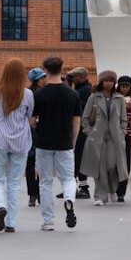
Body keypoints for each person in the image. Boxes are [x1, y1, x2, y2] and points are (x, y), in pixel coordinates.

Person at [0, 58, 34, 233]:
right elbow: (30, 115)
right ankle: (11, 223)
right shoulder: (27, 94)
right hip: (20, 140)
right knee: (14, 182)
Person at [33, 56, 80, 231]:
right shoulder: (72, 94)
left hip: (44, 142)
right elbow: (76, 121)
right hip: (65, 142)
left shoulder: (39, 95)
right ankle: (69, 198)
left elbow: (31, 121)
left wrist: (38, 124)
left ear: (45, 70)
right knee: (68, 178)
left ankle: (49, 221)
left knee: (45, 182)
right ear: (62, 69)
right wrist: (73, 141)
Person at [80, 70, 128, 206]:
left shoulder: (119, 99)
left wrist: (122, 132)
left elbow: (124, 119)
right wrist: (89, 132)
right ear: (101, 82)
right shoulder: (94, 97)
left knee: (113, 165)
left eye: (111, 81)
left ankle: (112, 189)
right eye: (106, 81)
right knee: (100, 167)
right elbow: (85, 117)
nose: (109, 83)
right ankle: (100, 196)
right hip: (98, 137)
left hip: (115, 137)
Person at [67, 67, 93, 199]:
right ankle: (73, 187)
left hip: (82, 129)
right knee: (75, 157)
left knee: (79, 157)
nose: (72, 80)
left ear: (81, 77)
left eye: (74, 77)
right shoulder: (80, 89)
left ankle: (83, 187)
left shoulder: (84, 90)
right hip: (80, 128)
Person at [116, 75, 131, 202]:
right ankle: (114, 187)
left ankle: (121, 191)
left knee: (125, 163)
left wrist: (130, 110)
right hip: (113, 134)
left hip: (127, 134)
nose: (125, 88)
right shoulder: (113, 98)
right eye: (123, 86)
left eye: (127, 86)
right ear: (119, 86)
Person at [25, 67, 47, 207]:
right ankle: (33, 194)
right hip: (30, 132)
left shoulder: (44, 93)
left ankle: (36, 193)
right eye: (41, 78)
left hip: (39, 131)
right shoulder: (29, 94)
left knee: (40, 164)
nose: (44, 80)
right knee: (30, 164)